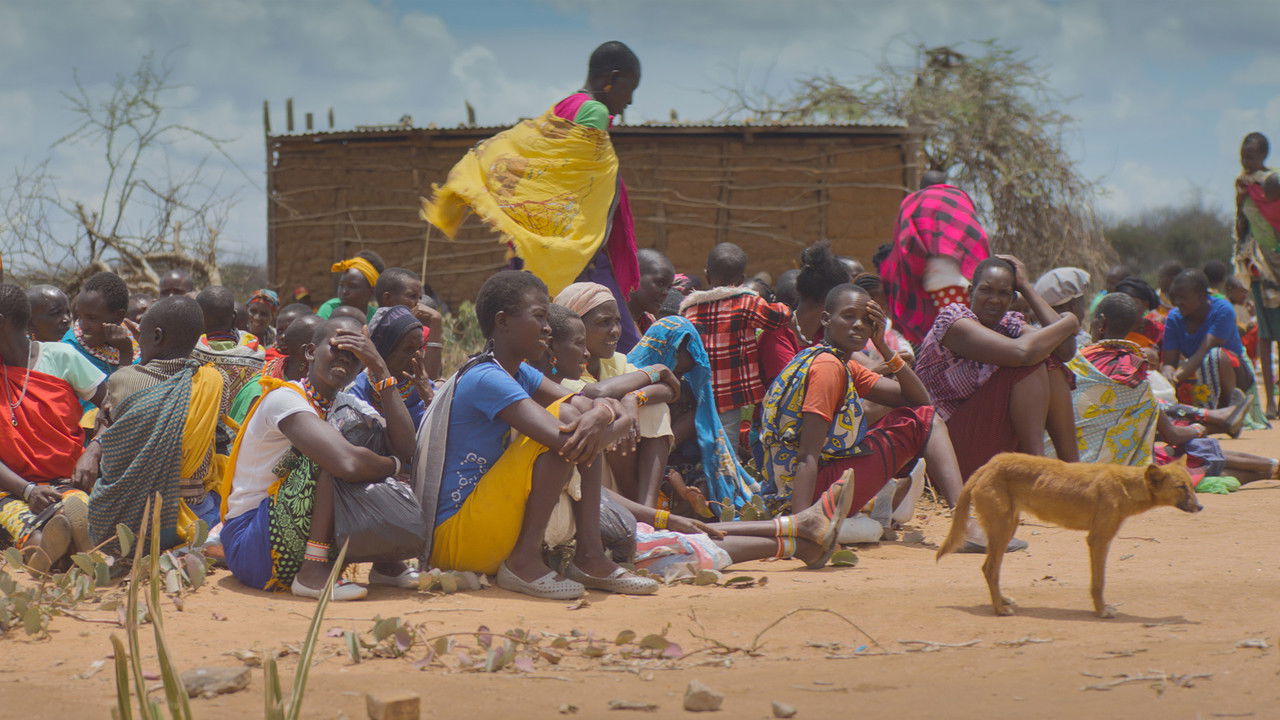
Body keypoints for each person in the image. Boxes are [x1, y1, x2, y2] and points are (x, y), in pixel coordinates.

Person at [413, 270, 657, 599]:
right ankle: (531, 562)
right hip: (457, 541)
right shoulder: (486, 377)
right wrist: (623, 414)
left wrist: (600, 412)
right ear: (503, 322)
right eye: (539, 316)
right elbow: (566, 437)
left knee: (575, 416)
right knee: (568, 425)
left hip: (480, 528)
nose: (547, 327)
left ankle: (589, 556)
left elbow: (586, 402)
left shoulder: (517, 371)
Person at [423, 42, 644, 349]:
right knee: (618, 340)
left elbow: (547, 166)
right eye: (629, 89)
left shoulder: (561, 108)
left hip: (541, 243)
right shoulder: (593, 111)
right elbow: (578, 182)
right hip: (574, 251)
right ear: (613, 78)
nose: (630, 101)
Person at [220, 315, 419, 600]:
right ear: (311, 352)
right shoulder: (284, 398)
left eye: (355, 355)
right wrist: (394, 467)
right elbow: (346, 464)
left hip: (291, 535)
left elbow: (405, 447)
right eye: (337, 348)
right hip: (254, 543)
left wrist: (380, 368)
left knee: (369, 434)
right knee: (334, 452)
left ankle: (386, 563)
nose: (345, 360)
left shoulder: (347, 404)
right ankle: (312, 573)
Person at [759, 283, 966, 524]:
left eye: (867, 320)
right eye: (848, 316)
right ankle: (965, 519)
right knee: (924, 422)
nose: (858, 325)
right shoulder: (828, 367)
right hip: (810, 493)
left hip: (803, 487)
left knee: (923, 416)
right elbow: (808, 456)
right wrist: (799, 524)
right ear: (826, 319)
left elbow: (919, 400)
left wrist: (885, 349)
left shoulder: (840, 362)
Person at [1073, 293, 1277, 483]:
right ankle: (1270, 467)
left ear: (1101, 322)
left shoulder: (1076, 363)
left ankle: (1270, 469)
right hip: (1125, 470)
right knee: (1193, 451)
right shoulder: (1135, 375)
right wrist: (1199, 428)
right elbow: (1172, 436)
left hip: (1080, 464)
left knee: (1188, 455)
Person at [914, 256, 1081, 479]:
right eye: (986, 290)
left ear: (1012, 299)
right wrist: (1069, 322)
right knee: (1027, 364)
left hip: (984, 439)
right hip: (944, 450)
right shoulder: (953, 320)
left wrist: (1026, 287)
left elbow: (1065, 351)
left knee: (1050, 362)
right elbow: (1022, 353)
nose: (994, 300)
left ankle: (1075, 473)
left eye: (1004, 293)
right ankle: (1037, 470)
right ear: (970, 291)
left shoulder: (1008, 324)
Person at [83, 296, 225, 549]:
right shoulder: (214, 382)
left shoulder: (122, 380)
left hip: (132, 520)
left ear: (156, 336)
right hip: (196, 518)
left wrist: (127, 353)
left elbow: (113, 418)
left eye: (142, 336)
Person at [0, 284, 104, 571]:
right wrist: (28, 490)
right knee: (17, 522)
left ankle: (59, 546)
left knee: (74, 512)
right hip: (10, 487)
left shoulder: (60, 357)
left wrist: (93, 450)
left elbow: (114, 406)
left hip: (64, 482)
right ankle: (46, 549)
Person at [551, 285, 680, 505]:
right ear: (574, 326)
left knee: (653, 407)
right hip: (586, 478)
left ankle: (646, 508)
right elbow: (599, 392)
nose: (615, 330)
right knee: (610, 415)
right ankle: (638, 508)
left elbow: (668, 390)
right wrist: (657, 370)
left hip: (614, 473)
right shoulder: (557, 369)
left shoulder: (614, 362)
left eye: (618, 321)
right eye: (604, 322)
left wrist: (633, 398)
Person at [628, 315, 762, 513]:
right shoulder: (633, 377)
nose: (696, 354)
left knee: (705, 481)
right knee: (670, 481)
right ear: (668, 349)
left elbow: (698, 426)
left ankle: (690, 501)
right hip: (646, 462)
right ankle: (681, 498)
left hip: (679, 459)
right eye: (688, 349)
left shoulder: (689, 391)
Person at [680, 242, 792, 433]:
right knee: (727, 443)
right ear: (741, 279)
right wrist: (786, 308)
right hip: (733, 394)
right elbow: (777, 318)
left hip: (698, 393)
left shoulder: (690, 309)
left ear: (707, 275)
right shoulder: (746, 302)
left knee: (705, 438)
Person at [879, 181, 991, 345]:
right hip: (964, 283)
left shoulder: (914, 202)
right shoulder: (958, 198)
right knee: (960, 342)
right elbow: (976, 241)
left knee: (942, 342)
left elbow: (905, 247)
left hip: (927, 285)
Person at [1234, 132, 1280, 419]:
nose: (1245, 160)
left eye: (1251, 155)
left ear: (1263, 156)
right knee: (1264, 335)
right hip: (1259, 266)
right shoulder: (1243, 184)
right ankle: (1271, 403)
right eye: (1243, 154)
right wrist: (1240, 201)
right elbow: (1241, 227)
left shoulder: (1273, 180)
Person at [1162, 269, 1253, 411]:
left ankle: (1229, 409)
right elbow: (1169, 361)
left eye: (1183, 297)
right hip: (1195, 373)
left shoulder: (1223, 310)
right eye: (1175, 297)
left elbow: (1204, 351)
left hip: (1235, 377)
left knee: (1215, 357)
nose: (1178, 302)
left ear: (1201, 296)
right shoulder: (1174, 318)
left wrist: (1175, 378)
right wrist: (1167, 375)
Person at [227, 314, 324, 427]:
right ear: (308, 352)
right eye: (328, 346)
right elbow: (237, 440)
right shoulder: (259, 391)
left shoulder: (323, 390)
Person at [349, 306, 434, 430]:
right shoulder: (358, 390)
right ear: (384, 353)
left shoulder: (425, 388)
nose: (418, 355)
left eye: (420, 347)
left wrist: (429, 398)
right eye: (408, 349)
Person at [193, 287, 265, 425]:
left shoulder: (188, 351)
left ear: (197, 316)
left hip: (197, 435)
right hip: (239, 438)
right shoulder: (256, 354)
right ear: (234, 317)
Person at [62, 271, 138, 384]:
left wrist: (126, 350)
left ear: (118, 317)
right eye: (79, 316)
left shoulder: (138, 340)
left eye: (92, 318)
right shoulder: (70, 349)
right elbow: (111, 399)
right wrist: (126, 353)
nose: (83, 325)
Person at [373, 267, 443, 380]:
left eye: (419, 298)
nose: (418, 304)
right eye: (412, 296)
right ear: (388, 298)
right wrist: (436, 320)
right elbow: (430, 378)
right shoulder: (377, 330)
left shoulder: (419, 331)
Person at [850, 273, 914, 366]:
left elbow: (908, 357)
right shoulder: (850, 332)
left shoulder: (890, 326)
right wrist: (895, 362)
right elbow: (871, 369)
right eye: (885, 303)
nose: (890, 308)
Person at [317, 250, 386, 323]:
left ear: (372, 291)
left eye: (352, 286)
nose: (344, 292)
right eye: (341, 285)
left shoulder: (376, 318)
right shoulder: (330, 309)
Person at [1033, 266, 1092, 348]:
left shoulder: (1032, 334)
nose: (1083, 308)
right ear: (1072, 306)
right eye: (1082, 303)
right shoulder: (1081, 341)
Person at [626, 248, 674, 348]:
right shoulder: (612, 321)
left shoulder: (650, 323)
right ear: (634, 277)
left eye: (669, 287)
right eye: (660, 283)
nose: (666, 293)